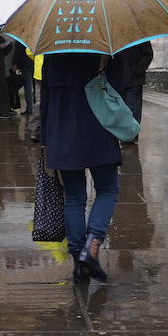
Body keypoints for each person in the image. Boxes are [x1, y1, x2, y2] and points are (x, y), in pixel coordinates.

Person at [39, 51, 123, 284]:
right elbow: (118, 86)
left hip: (61, 129)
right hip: (97, 125)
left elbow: (45, 95)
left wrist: (45, 138)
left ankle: (79, 263)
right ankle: (92, 245)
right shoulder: (100, 45)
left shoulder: (53, 47)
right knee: (107, 189)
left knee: (74, 196)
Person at [114, 40, 154, 126]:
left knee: (134, 107)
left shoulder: (140, 36)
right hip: (119, 78)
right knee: (120, 107)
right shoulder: (115, 36)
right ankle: (123, 132)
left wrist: (138, 70)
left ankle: (132, 132)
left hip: (134, 79)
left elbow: (148, 54)